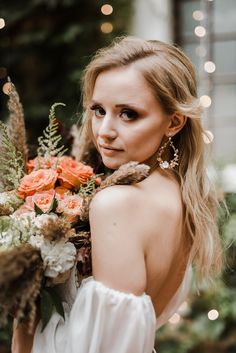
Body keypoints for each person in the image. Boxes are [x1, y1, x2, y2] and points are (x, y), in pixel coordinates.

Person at [12, 36, 223, 353]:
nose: (104, 130)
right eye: (99, 110)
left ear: (174, 122)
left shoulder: (115, 204)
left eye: (129, 114)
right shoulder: (182, 195)